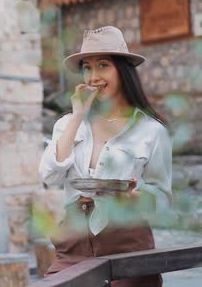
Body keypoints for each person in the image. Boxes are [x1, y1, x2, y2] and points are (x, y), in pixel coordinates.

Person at [38, 26, 171, 286]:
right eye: (87, 67)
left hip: (128, 240)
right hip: (73, 240)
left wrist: (133, 199)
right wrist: (77, 115)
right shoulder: (67, 124)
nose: (93, 76)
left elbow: (162, 198)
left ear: (122, 70)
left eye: (103, 65)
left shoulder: (152, 131)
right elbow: (50, 177)